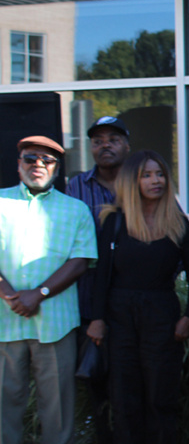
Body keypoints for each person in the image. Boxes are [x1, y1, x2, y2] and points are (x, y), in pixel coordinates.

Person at [85, 150, 189, 444]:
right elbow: (102, 275)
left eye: (160, 174)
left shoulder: (178, 223)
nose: (156, 181)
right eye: (147, 175)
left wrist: (188, 316)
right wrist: (97, 318)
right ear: (132, 181)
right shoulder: (114, 222)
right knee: (124, 397)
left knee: (160, 396)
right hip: (119, 316)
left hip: (162, 314)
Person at [0, 135, 97, 444]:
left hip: (56, 324)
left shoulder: (76, 209)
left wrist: (37, 294)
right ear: (19, 164)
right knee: (4, 409)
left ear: (56, 167)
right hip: (4, 322)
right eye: (30, 158)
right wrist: (6, 291)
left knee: (58, 411)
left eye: (47, 160)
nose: (38, 164)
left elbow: (81, 261)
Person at [66, 115, 131, 443]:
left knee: (132, 383)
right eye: (98, 140)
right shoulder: (75, 187)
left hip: (135, 299)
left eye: (113, 139)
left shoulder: (142, 182)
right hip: (88, 299)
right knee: (97, 382)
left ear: (126, 146)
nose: (105, 145)